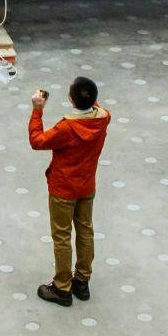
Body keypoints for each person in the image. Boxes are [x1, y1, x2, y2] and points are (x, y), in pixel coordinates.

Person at [27, 77, 111, 307]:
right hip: (86, 185)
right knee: (85, 230)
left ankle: (62, 287)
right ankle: (82, 281)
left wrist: (37, 111)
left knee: (62, 236)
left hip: (63, 188)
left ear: (71, 99)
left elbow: (37, 141)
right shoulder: (103, 118)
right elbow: (95, 107)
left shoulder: (67, 128)